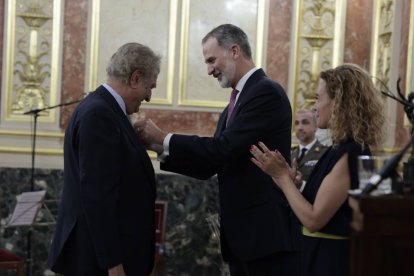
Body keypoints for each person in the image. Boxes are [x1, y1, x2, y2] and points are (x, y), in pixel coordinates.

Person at [136, 24, 297, 275]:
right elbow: (213, 162)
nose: (209, 70)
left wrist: (163, 136)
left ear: (234, 51)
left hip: (263, 236)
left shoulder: (265, 92)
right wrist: (158, 147)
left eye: (211, 60)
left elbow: (221, 149)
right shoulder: (236, 101)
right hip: (243, 238)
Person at [250, 63, 385, 276]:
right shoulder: (341, 149)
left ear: (339, 103)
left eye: (319, 98)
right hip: (320, 254)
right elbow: (330, 206)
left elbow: (314, 220)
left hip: (330, 260)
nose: (315, 107)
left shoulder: (351, 151)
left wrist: (283, 177)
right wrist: (293, 184)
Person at [48, 43, 161, 276]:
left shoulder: (105, 111)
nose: (149, 97)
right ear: (135, 78)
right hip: (100, 261)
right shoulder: (100, 114)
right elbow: (97, 196)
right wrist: (113, 263)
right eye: (150, 87)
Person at [292, 109, 328, 190]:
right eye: (297, 123)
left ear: (316, 126)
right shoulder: (290, 154)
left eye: (305, 122)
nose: (300, 127)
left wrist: (301, 185)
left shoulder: (325, 153)